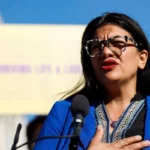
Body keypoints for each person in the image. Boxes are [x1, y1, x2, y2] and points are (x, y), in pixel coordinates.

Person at [34, 12, 150, 150]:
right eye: (96, 46)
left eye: (118, 43)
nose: (106, 51)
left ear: (142, 58)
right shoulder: (64, 112)